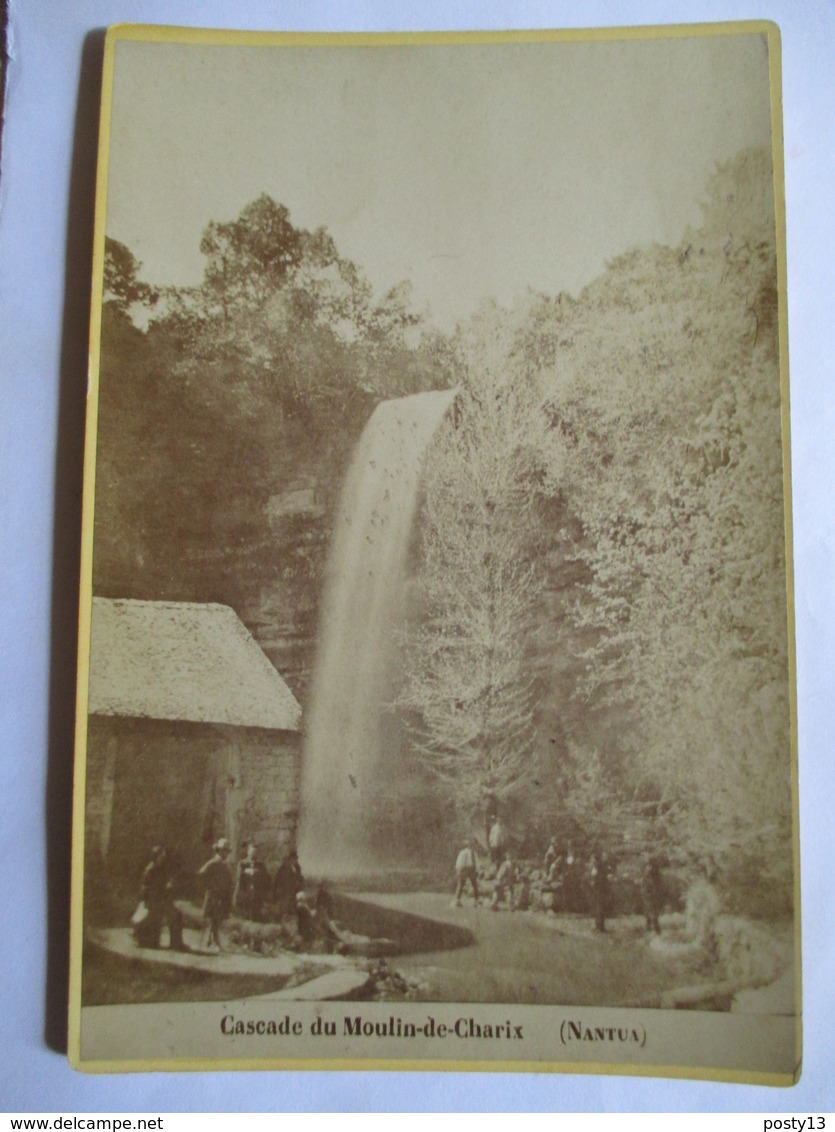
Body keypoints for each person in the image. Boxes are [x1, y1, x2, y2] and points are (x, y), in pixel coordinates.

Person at [134, 845, 187, 951]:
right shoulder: (150, 870)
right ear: (155, 856)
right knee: (174, 915)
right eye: (160, 856)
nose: (162, 857)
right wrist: (164, 887)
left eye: (163, 855)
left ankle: (176, 943)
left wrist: (169, 884)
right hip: (153, 902)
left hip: (160, 901)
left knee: (177, 915)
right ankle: (175, 943)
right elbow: (147, 888)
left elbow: (164, 883)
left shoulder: (161, 868)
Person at [198, 837, 234, 951]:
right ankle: (212, 941)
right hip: (214, 896)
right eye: (224, 851)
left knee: (217, 919)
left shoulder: (226, 865)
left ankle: (211, 940)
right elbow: (201, 874)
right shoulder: (213, 863)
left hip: (222, 897)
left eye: (227, 851)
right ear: (219, 851)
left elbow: (229, 881)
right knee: (213, 918)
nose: (226, 853)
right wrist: (209, 887)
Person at [234, 840, 269, 922]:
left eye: (255, 852)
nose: (253, 853)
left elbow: (266, 878)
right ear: (248, 851)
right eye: (252, 851)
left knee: (255, 916)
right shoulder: (242, 863)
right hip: (245, 893)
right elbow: (238, 878)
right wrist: (246, 871)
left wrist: (258, 873)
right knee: (244, 916)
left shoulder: (260, 865)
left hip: (256, 894)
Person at [273, 849, 304, 918]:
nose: (294, 861)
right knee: (286, 908)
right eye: (293, 859)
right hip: (286, 891)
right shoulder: (284, 868)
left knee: (293, 908)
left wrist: (300, 885)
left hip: (294, 892)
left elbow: (300, 878)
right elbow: (281, 880)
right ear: (290, 859)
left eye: (296, 859)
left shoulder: (297, 868)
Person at [454, 841, 479, 906]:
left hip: (469, 869)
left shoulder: (472, 853)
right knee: (463, 884)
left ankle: (476, 900)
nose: (473, 846)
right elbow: (460, 862)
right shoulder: (465, 853)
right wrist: (459, 869)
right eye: (472, 845)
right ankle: (457, 899)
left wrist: (477, 869)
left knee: (473, 884)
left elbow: (476, 862)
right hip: (466, 868)